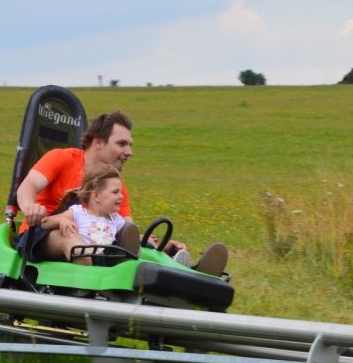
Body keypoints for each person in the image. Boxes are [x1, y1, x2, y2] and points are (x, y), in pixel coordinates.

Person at [14, 109, 228, 276]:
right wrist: (31, 207)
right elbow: (28, 186)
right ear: (98, 142)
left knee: (135, 247)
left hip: (95, 238)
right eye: (122, 144)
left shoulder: (114, 185)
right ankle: (84, 288)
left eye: (130, 145)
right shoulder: (63, 158)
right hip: (42, 232)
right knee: (69, 235)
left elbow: (125, 232)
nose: (129, 152)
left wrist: (158, 246)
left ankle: (191, 272)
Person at [39, 164, 128, 265]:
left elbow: (126, 235)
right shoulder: (79, 212)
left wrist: (142, 238)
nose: (121, 196)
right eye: (115, 192)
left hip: (103, 260)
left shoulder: (116, 220)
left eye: (121, 192)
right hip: (80, 259)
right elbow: (44, 223)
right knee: (81, 253)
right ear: (97, 195)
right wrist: (61, 221)